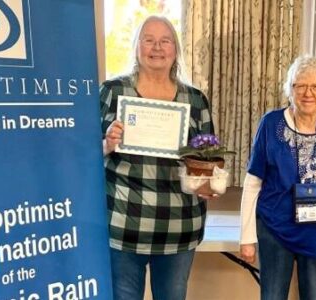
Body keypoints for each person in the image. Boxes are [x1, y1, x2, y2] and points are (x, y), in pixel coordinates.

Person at [99, 15, 215, 300]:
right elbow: (80, 153)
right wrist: (106, 144)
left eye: (165, 41)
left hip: (178, 229)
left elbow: (208, 159)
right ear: (136, 47)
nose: (157, 48)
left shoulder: (196, 100)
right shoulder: (112, 92)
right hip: (123, 227)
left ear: (175, 49)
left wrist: (206, 179)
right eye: (148, 40)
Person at [239, 56, 316, 300]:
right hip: (275, 227)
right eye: (299, 85)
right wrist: (247, 237)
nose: (307, 93)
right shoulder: (271, 123)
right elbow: (252, 183)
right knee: (272, 296)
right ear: (290, 89)